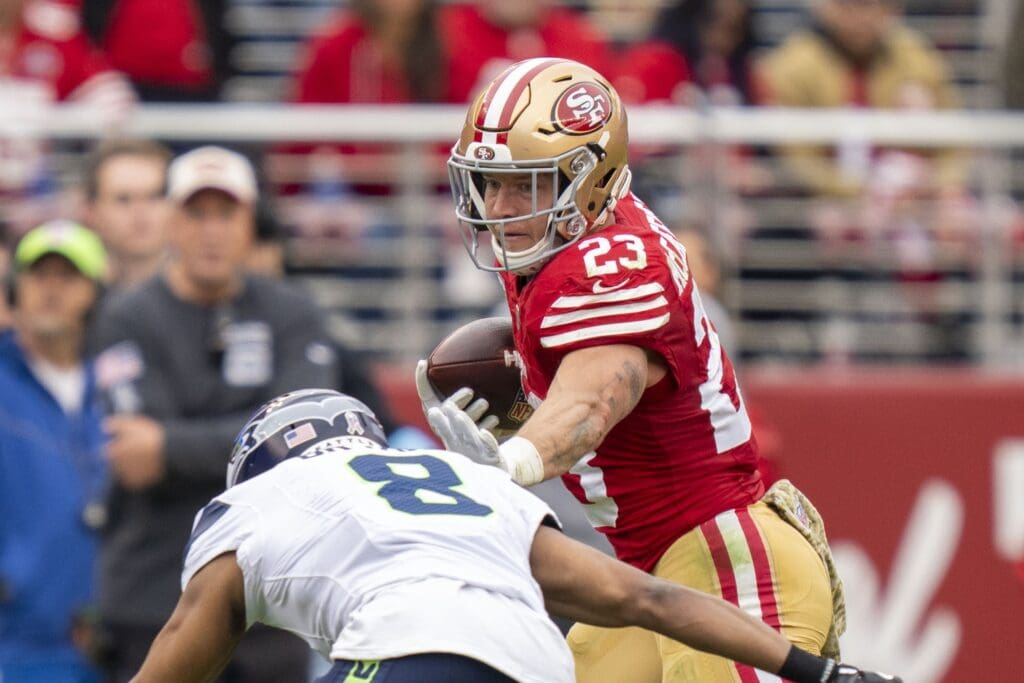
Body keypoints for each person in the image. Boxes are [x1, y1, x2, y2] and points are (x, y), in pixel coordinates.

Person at [420, 57, 844, 682]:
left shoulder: (613, 261)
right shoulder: (564, 242)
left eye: (526, 185)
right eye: (489, 182)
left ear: (585, 180)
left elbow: (597, 396)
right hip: (650, 575)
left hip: (724, 559)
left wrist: (509, 464)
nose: (499, 205)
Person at [131, 388, 900, 683]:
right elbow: (647, 595)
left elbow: (182, 645)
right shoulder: (468, 480)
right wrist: (819, 673)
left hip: (408, 655)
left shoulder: (263, 497)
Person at [89, 145, 338, 682]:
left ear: (251, 222)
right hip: (156, 593)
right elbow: (134, 460)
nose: (211, 230)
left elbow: (310, 444)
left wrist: (170, 444)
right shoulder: (124, 316)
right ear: (172, 223)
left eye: (226, 214)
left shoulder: (292, 311)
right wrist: (255, 434)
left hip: (271, 593)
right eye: (196, 214)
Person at [0, 220, 108, 682]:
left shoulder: (120, 382)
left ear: (96, 293)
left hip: (118, 642)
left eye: (68, 277)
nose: (51, 289)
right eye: (38, 275)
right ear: (14, 288)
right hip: (19, 642)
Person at [82, 138, 173, 290]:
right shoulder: (76, 297)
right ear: (91, 212)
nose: (141, 213)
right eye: (123, 199)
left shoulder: (208, 293)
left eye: (154, 197)